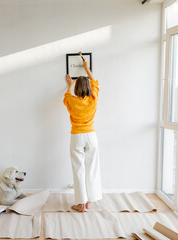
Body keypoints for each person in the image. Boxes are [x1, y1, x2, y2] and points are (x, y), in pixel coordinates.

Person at [63, 59, 102, 212]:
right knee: (92, 168)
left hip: (77, 136)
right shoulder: (94, 99)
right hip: (91, 136)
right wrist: (87, 69)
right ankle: (90, 201)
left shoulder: (71, 101)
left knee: (79, 169)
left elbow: (66, 96)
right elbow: (95, 83)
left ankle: (81, 204)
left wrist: (70, 85)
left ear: (77, 88)